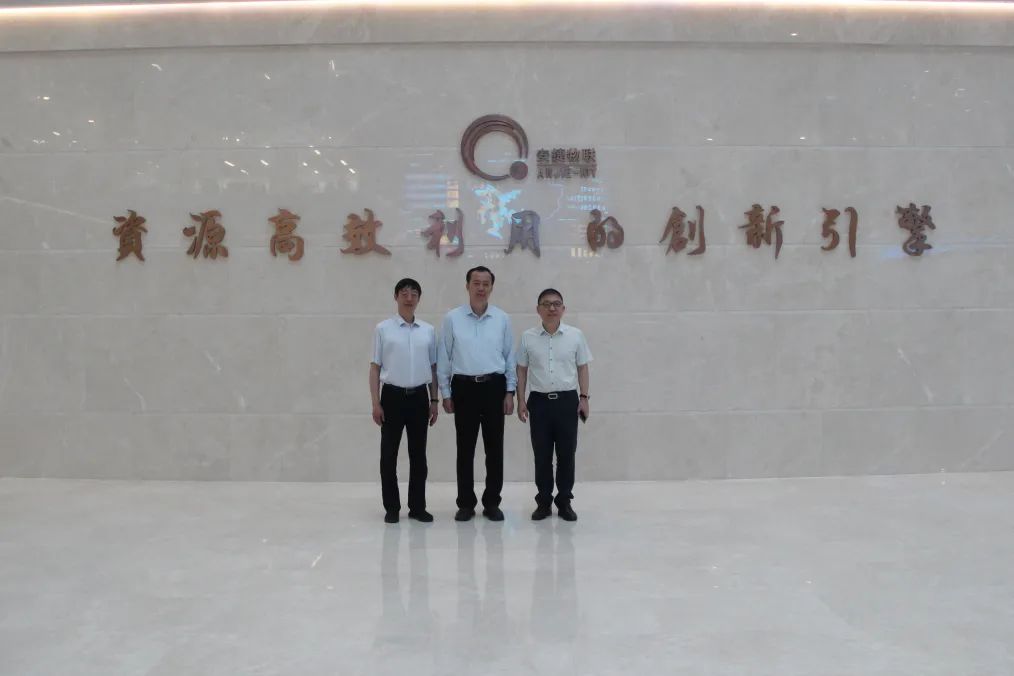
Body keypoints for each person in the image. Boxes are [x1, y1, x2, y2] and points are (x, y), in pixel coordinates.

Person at [437, 266, 516, 522]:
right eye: (476, 283)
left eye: (485, 283)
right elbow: (444, 357)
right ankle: (465, 504)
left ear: (491, 287)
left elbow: (510, 357)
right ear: (467, 286)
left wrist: (510, 391)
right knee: (465, 449)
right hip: (464, 388)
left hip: (494, 387)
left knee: (495, 449)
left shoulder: (502, 318)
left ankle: (492, 502)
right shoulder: (452, 318)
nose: (481, 288)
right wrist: (445, 392)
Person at [516, 288, 592, 522]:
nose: (552, 308)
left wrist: (584, 398)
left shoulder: (575, 335)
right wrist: (521, 400)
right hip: (539, 403)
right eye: (546, 304)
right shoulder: (528, 337)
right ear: (538, 309)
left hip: (567, 401)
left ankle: (564, 501)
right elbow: (521, 370)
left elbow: (582, 367)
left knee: (567, 454)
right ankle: (544, 501)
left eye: (556, 304)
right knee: (542, 455)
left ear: (563, 309)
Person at [369, 278, 439, 524]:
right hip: (392, 397)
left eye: (414, 293)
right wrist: (375, 403)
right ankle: (391, 507)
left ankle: (417, 507)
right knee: (388, 455)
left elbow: (433, 368)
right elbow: (375, 368)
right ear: (396, 296)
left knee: (418, 455)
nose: (409, 298)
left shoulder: (428, 331)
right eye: (404, 293)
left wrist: (434, 400)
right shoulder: (383, 329)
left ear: (419, 298)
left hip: (419, 397)